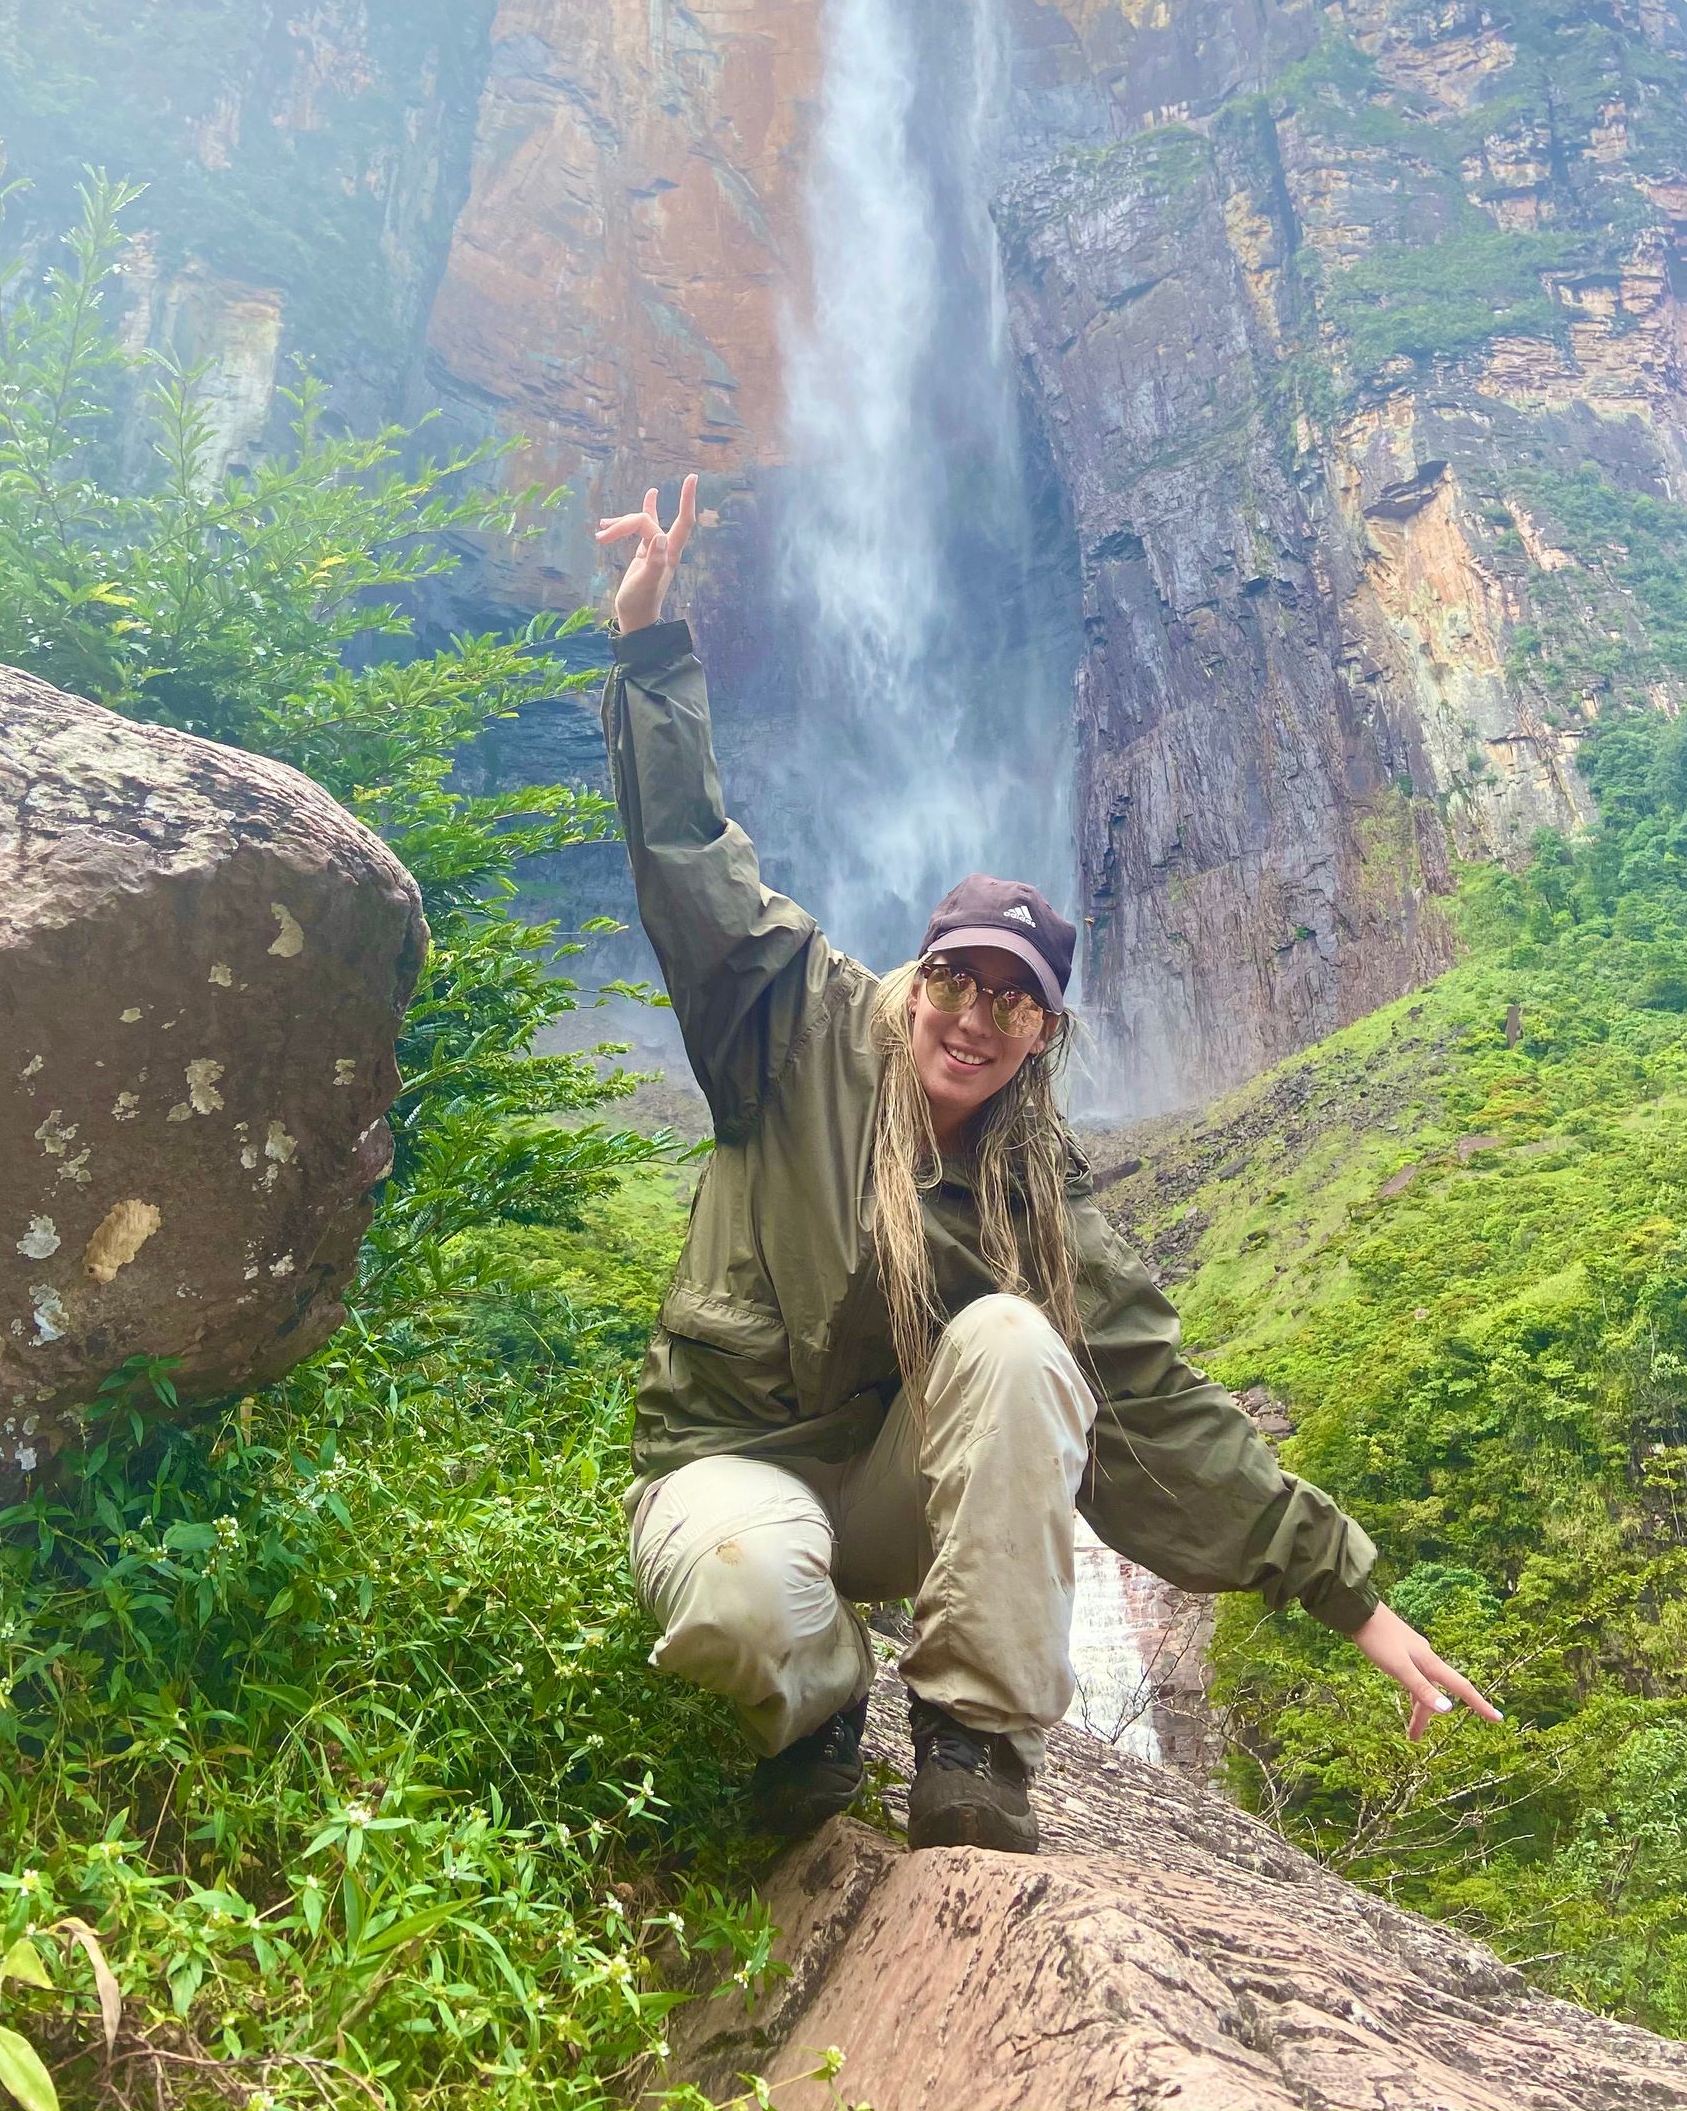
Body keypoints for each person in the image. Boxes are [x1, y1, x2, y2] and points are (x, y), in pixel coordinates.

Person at [597, 474, 1499, 1854]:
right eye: (957, 978)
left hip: (893, 1492)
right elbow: (690, 860)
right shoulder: (790, 1023)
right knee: (741, 1598)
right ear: (922, 970)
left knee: (1026, 1342)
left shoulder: (1039, 1202)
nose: (972, 1016)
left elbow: (1162, 1409)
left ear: (1043, 1031)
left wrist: (1356, 1601)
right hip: (727, 1461)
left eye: (1011, 1000)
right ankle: (823, 1705)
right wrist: (653, 649)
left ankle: (970, 1738)